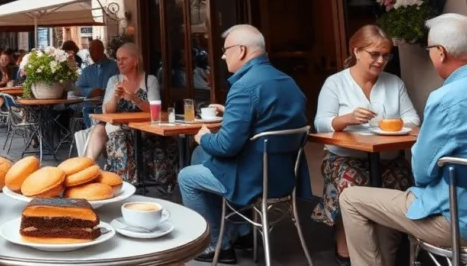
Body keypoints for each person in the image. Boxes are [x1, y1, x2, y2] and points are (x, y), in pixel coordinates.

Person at [340, 14, 467, 266]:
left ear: (441, 52)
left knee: (351, 199)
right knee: (393, 199)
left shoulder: (446, 99)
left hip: (457, 225)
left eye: (430, 50)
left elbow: (421, 173)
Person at [178, 24, 310, 264]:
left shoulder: (244, 86)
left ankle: (217, 244)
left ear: (241, 51)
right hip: (284, 176)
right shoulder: (288, 81)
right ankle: (242, 233)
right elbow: (271, 120)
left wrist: (204, 136)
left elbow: (226, 146)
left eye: (225, 50)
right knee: (200, 156)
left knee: (187, 176)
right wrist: (231, 112)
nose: (222, 55)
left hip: (253, 178)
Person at [312, 25, 420, 265]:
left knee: (397, 186)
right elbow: (321, 124)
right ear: (357, 51)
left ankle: (385, 250)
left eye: (386, 55)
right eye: (375, 54)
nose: (381, 61)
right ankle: (346, 247)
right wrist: (347, 119)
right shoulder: (335, 83)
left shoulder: (394, 83)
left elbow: (413, 119)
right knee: (349, 184)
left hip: (387, 158)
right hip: (344, 156)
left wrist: (390, 124)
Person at [84, 43, 176, 183]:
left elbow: (155, 109)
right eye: (117, 59)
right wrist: (115, 97)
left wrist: (134, 98)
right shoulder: (114, 80)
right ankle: (87, 169)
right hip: (119, 126)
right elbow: (106, 111)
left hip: (145, 127)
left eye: (124, 58)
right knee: (101, 128)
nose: (119, 62)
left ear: (136, 60)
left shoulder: (149, 80)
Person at [75, 39, 119, 127]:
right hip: (90, 106)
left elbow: (120, 84)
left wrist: (105, 92)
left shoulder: (115, 67)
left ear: (101, 49)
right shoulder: (87, 71)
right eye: (89, 50)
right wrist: (90, 91)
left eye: (92, 49)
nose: (90, 52)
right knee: (85, 109)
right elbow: (78, 89)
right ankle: (91, 133)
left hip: (110, 106)